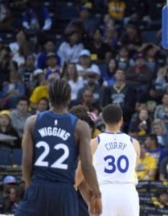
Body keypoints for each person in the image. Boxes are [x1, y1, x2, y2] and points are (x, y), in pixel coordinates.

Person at [16, 79, 102, 216]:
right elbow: (86, 165)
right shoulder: (81, 127)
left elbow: (26, 161)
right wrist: (97, 194)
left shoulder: (32, 121)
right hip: (64, 191)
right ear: (69, 98)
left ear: (49, 97)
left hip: (39, 185)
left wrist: (29, 186)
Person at [77, 104, 141, 216]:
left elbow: (81, 173)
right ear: (121, 120)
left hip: (105, 192)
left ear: (102, 120)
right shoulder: (134, 143)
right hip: (128, 192)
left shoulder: (94, 143)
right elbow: (133, 170)